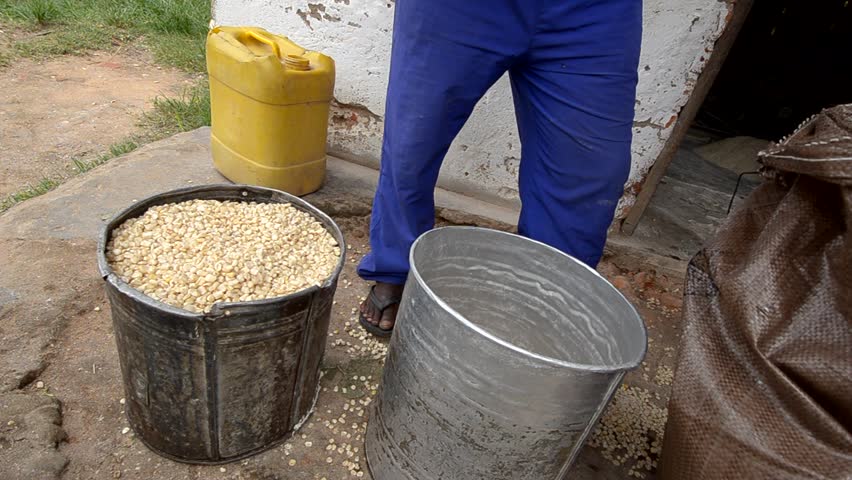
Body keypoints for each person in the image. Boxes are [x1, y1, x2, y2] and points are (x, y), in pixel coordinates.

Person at [357, 0, 643, 336]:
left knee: (589, 171)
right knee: (413, 146)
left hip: (591, 11)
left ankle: (546, 300)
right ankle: (395, 267)